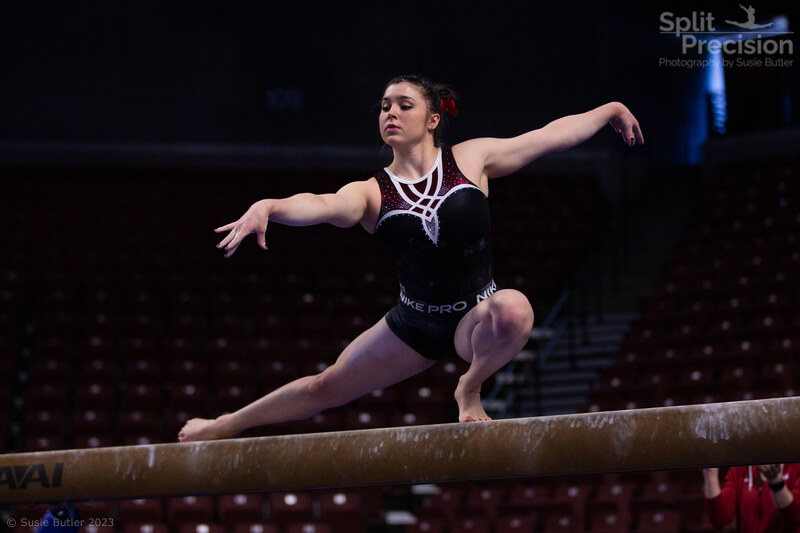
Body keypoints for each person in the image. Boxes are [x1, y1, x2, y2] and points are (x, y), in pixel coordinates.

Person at [178, 74, 644, 442]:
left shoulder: (470, 160)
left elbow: (546, 136)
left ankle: (470, 386)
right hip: (412, 325)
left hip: (473, 321)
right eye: (384, 106)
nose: (391, 113)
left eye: (404, 105)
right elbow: (320, 205)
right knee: (326, 387)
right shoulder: (370, 192)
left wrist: (608, 111)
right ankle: (227, 424)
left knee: (514, 308)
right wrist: (271, 207)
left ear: (433, 118)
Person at [703, 464, 800, 532]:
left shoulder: (796, 466)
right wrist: (710, 474)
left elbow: (795, 518)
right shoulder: (740, 469)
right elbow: (720, 519)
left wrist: (776, 482)